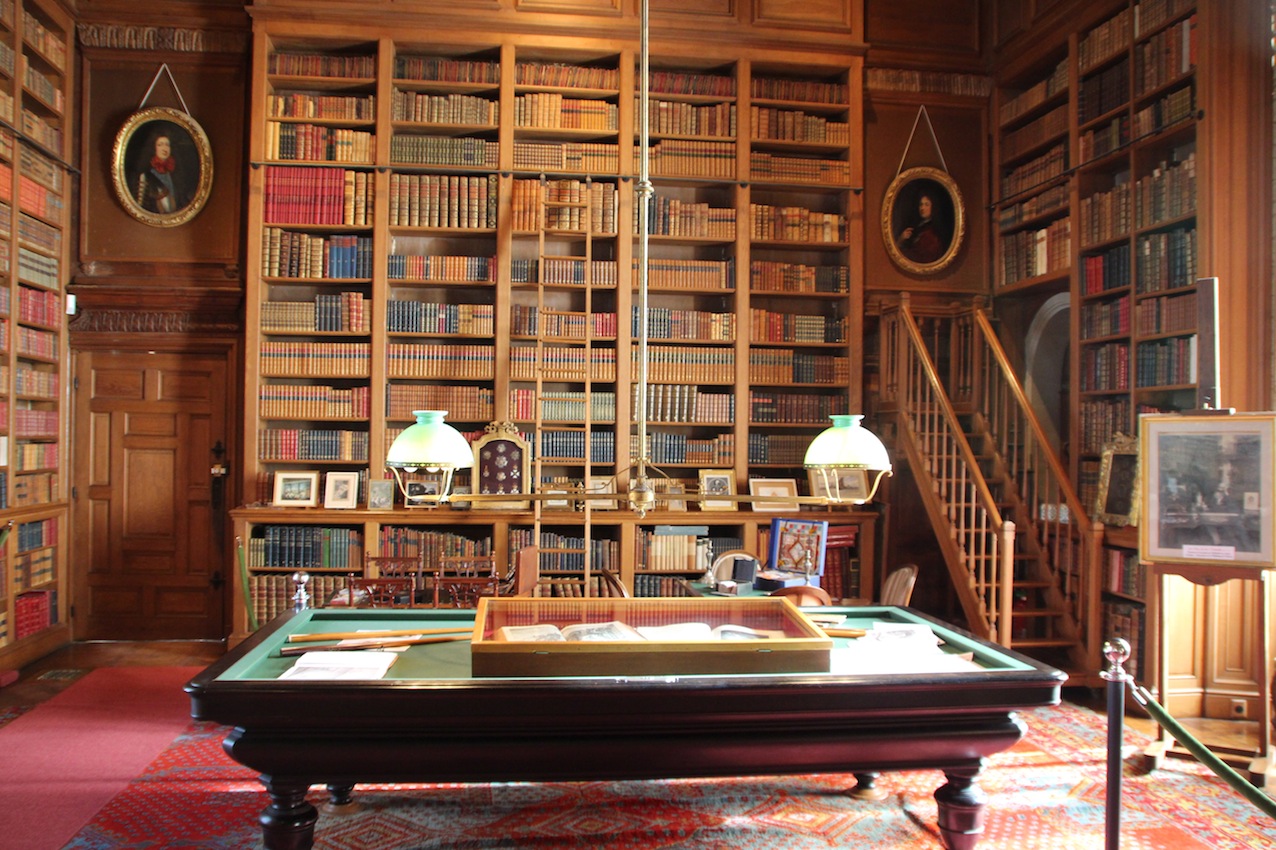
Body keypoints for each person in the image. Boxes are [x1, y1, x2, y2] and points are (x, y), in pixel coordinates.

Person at [134, 128, 190, 214]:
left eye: (167, 145)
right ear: (154, 148)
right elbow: (141, 207)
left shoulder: (176, 174)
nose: (164, 148)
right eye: (160, 145)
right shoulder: (145, 175)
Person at [897, 191, 945, 264]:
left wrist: (899, 243)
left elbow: (917, 257)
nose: (922, 208)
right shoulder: (920, 226)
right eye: (921, 204)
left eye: (926, 204)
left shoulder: (931, 233)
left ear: (933, 207)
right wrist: (901, 239)